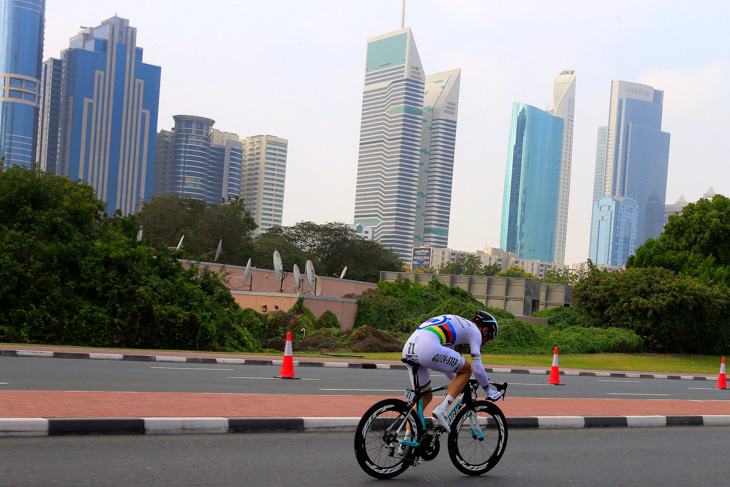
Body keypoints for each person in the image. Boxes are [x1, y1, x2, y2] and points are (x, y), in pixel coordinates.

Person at [401, 310, 500, 434]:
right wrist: (489, 391)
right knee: (467, 369)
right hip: (426, 347)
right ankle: (442, 408)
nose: (485, 343)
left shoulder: (455, 326)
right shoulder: (475, 332)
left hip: (408, 348)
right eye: (489, 339)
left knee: (425, 397)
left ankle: (405, 443)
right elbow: (477, 369)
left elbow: (448, 370)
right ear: (485, 330)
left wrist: (463, 384)